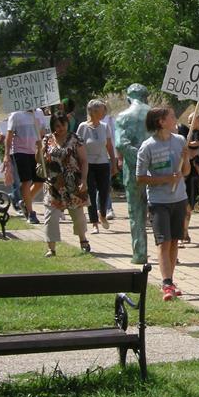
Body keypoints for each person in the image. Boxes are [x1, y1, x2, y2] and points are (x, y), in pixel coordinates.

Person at [136, 107, 190, 300]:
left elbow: (186, 172)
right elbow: (140, 178)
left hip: (179, 199)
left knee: (175, 240)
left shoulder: (180, 141)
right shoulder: (147, 146)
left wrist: (186, 158)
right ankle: (166, 283)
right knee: (163, 242)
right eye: (173, 116)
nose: (176, 119)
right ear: (161, 121)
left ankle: (170, 281)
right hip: (159, 201)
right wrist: (166, 179)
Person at [40, 112, 90, 257]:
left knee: (78, 217)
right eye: (57, 125)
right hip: (53, 184)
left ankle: (83, 240)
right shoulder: (47, 140)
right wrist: (40, 148)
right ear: (52, 126)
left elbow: (84, 161)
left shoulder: (75, 139)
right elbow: (39, 160)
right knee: (51, 217)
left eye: (63, 124)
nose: (60, 128)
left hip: (73, 183)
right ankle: (51, 248)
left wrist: (84, 180)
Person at [114, 84, 150, 264]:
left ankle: (139, 253)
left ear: (128, 98)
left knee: (136, 214)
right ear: (146, 97)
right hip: (156, 170)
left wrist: (138, 159)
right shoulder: (155, 114)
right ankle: (166, 253)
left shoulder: (122, 117)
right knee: (160, 211)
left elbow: (121, 144)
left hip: (133, 171)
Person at [77, 99, 117, 234]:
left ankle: (103, 214)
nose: (104, 112)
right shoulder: (83, 127)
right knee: (91, 193)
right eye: (101, 110)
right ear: (93, 112)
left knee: (104, 191)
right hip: (87, 165)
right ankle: (94, 223)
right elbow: (77, 146)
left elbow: (109, 146)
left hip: (103, 163)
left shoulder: (105, 126)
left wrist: (114, 162)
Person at [2, 109, 45, 223]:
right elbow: (9, 135)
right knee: (26, 181)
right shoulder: (16, 114)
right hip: (21, 151)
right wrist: (6, 155)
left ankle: (25, 201)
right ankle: (31, 213)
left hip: (36, 151)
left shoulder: (39, 113)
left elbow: (42, 130)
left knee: (40, 181)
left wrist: (42, 142)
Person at [177, 110, 199, 246]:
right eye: (194, 120)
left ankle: (185, 230)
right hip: (181, 171)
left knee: (189, 205)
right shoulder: (182, 130)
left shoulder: (198, 134)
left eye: (198, 120)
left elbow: (196, 144)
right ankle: (180, 231)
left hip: (192, 173)